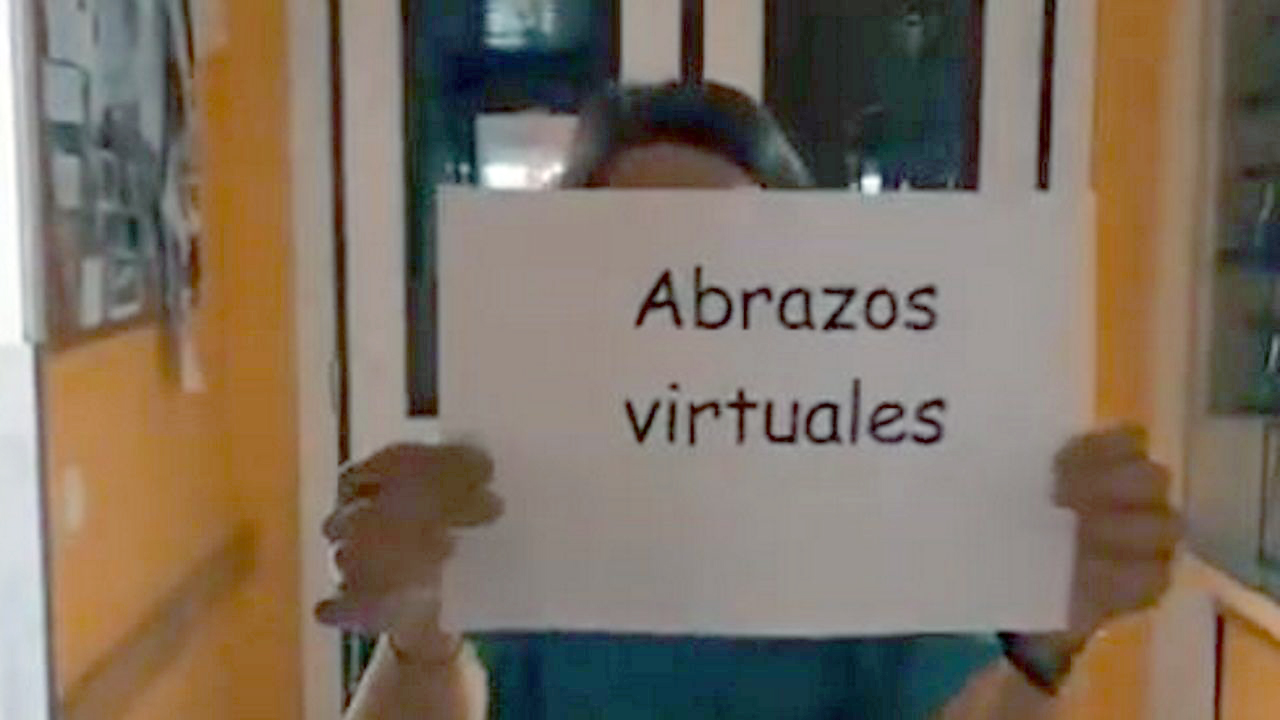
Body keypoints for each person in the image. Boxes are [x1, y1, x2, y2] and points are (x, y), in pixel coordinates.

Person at [319, 83, 1182, 719]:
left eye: (727, 271)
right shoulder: (510, 507)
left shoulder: (876, 519)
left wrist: (1044, 643)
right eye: (636, 268)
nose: (685, 305)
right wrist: (420, 639)